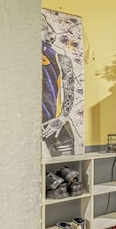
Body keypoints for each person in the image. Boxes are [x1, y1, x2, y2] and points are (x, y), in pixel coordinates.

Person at [42, 14, 76, 156]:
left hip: (55, 127)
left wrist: (62, 118)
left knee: (68, 172)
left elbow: (69, 93)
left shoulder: (61, 59)